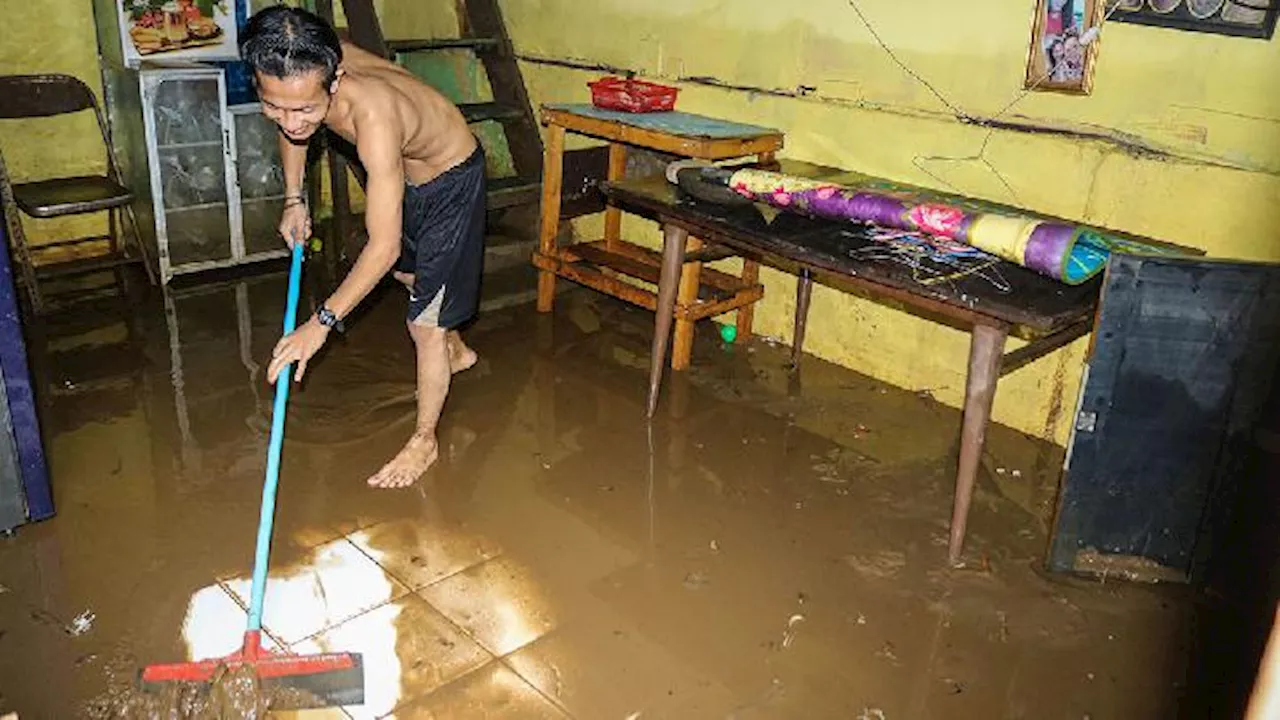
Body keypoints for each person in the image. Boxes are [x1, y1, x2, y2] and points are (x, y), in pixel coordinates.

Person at [240, 5, 485, 489]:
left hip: (451, 180)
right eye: (274, 106)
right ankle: (456, 353)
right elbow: (295, 130)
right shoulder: (302, 65)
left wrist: (322, 322)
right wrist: (294, 199)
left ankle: (425, 439)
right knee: (413, 280)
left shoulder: (373, 115)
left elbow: (383, 245)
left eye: (306, 108)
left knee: (423, 322)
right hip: (408, 179)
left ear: (334, 83)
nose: (290, 120)